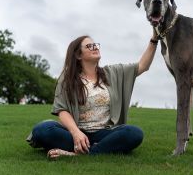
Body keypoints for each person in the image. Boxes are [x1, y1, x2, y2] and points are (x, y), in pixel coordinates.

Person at [27, 32, 158, 159]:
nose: (95, 47)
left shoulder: (112, 73)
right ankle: (96, 149)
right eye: (89, 46)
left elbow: (142, 66)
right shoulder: (67, 78)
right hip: (76, 133)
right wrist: (76, 133)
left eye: (95, 45)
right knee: (42, 130)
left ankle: (81, 153)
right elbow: (62, 110)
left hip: (104, 134)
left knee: (134, 133)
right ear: (78, 55)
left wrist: (154, 39)